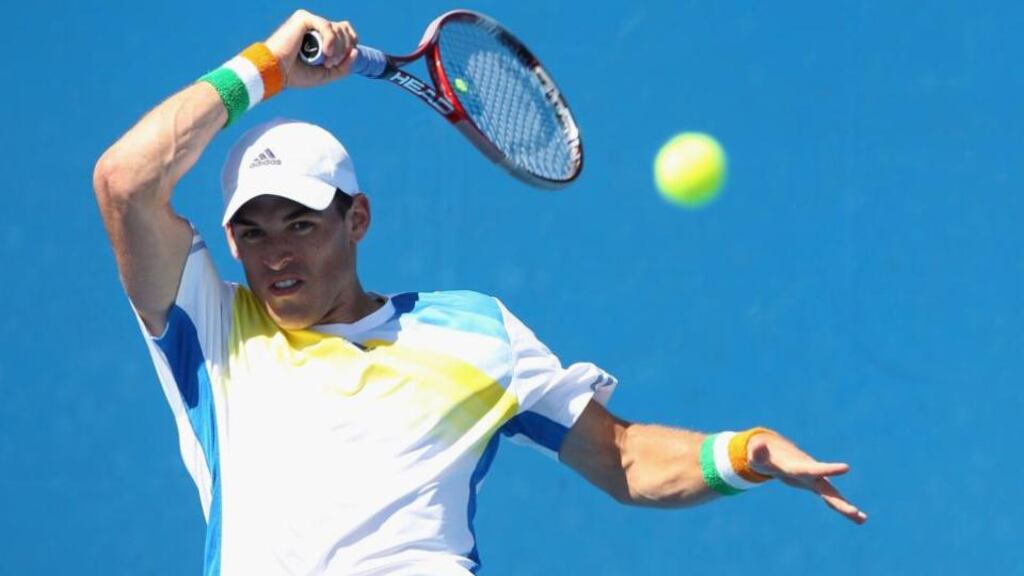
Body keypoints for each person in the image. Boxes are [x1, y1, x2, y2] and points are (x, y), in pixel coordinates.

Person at [93, 9, 866, 576]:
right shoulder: (211, 329)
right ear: (229, 243)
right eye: (253, 232)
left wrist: (744, 452)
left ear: (357, 219)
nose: (276, 253)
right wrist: (267, 66)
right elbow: (126, 183)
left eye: (298, 222)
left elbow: (623, 457)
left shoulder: (474, 332)